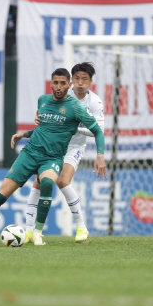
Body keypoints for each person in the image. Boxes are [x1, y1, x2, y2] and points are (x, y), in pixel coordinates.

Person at [0, 68, 107, 246]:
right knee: (3, 193)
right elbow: (45, 128)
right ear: (51, 83)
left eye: (63, 83)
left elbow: (98, 132)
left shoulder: (77, 107)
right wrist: (24, 134)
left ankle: (38, 232)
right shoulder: (43, 100)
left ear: (68, 85)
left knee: (48, 183)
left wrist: (100, 155)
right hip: (30, 153)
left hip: (53, 157)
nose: (59, 86)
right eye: (56, 82)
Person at [16, 62, 104, 243]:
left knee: (63, 181)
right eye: (77, 79)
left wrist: (71, 127)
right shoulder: (62, 93)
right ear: (71, 81)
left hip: (74, 147)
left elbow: (99, 130)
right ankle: (29, 230)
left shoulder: (95, 102)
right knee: (38, 182)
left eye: (84, 79)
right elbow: (45, 114)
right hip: (52, 145)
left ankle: (81, 228)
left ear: (90, 82)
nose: (80, 83)